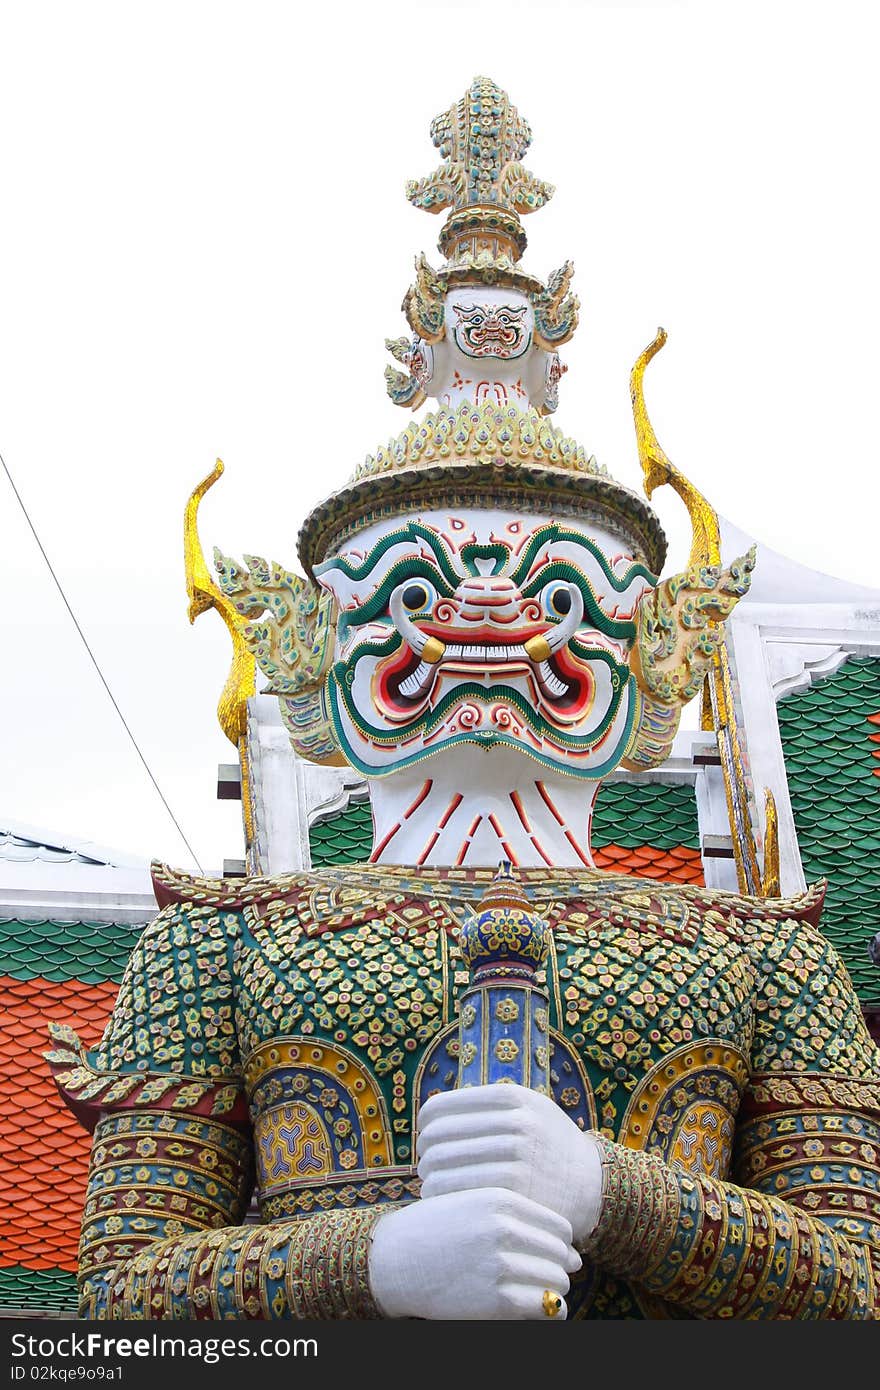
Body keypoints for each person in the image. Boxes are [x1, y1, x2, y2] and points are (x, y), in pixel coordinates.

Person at [50, 77, 880, 1321]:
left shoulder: (764, 955)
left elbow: (855, 1291)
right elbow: (116, 1302)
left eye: (554, 590)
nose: (485, 617)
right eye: (419, 582)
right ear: (313, 640)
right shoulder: (217, 943)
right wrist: (376, 1261)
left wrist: (609, 1190)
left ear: (657, 645)